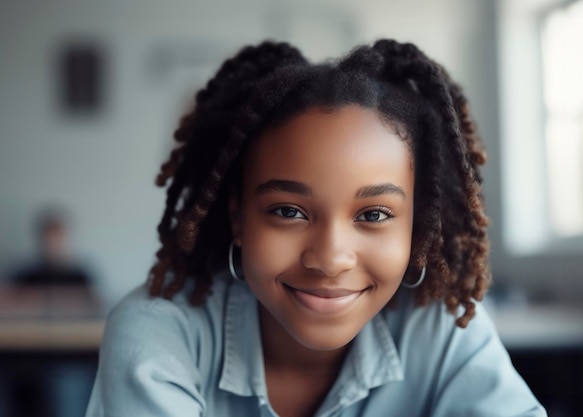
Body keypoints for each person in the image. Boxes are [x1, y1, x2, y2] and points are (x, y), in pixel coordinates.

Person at [86, 40, 546, 416]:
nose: (329, 258)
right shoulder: (161, 333)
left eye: (373, 215)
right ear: (237, 218)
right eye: (288, 211)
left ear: (416, 228)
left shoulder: (441, 330)